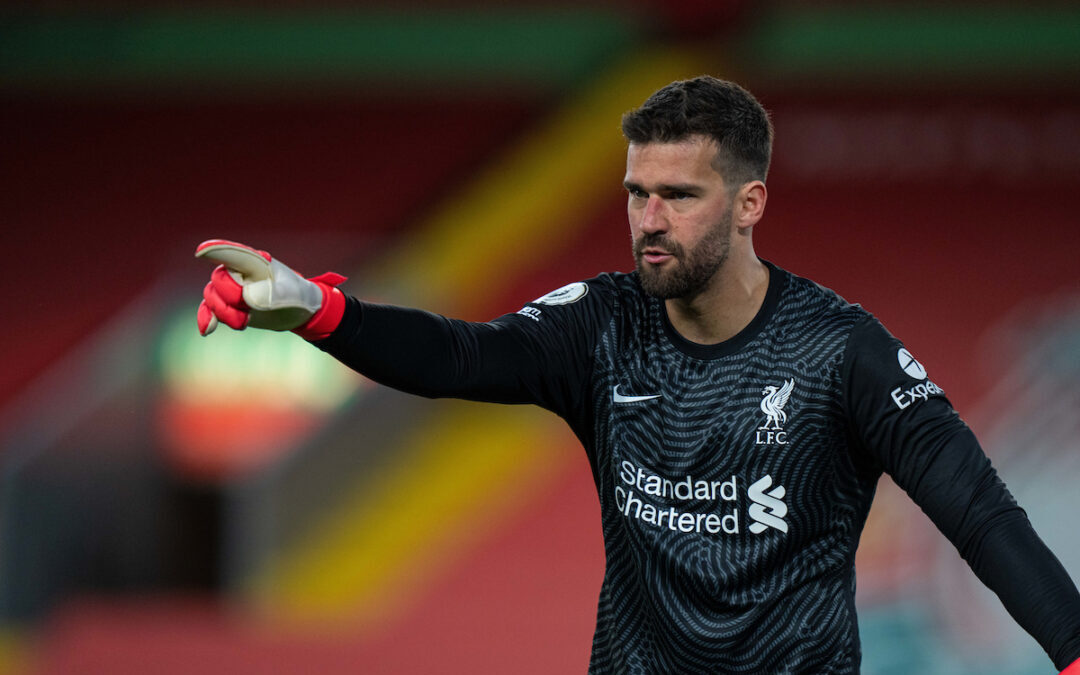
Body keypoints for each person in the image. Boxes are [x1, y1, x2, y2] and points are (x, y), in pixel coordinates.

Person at [196, 76, 1080, 674]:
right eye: (634, 192)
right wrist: (313, 307)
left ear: (749, 203)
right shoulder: (600, 324)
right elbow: (458, 355)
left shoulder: (840, 350)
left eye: (680, 196)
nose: (648, 221)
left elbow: (980, 515)